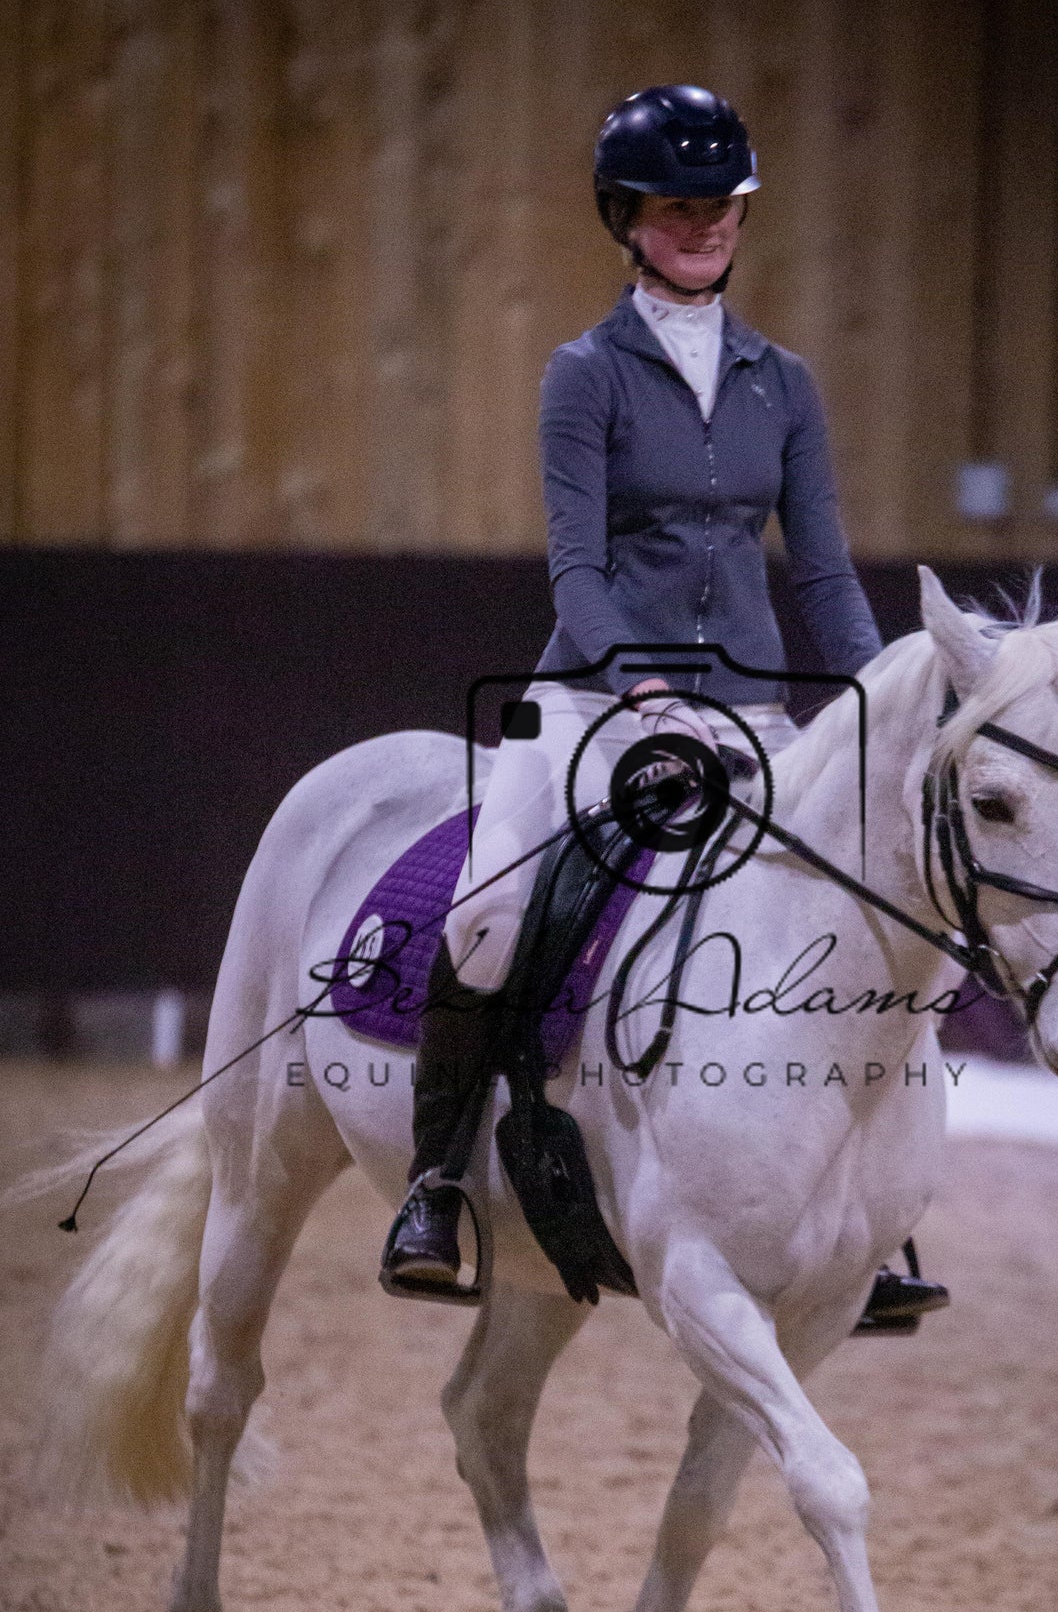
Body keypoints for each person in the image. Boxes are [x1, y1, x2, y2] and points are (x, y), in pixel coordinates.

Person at [380, 84, 948, 1333]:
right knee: (486, 910)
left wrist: (876, 704)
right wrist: (636, 683)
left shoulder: (782, 382)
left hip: (750, 704)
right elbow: (575, 565)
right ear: (625, 218)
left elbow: (823, 568)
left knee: (846, 910)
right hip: (591, 697)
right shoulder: (582, 375)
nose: (700, 226)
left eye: (719, 206)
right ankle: (432, 1185)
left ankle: (872, 1218)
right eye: (673, 207)